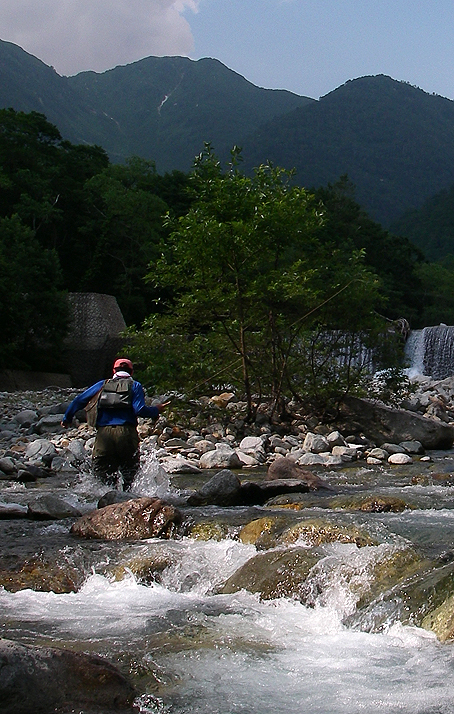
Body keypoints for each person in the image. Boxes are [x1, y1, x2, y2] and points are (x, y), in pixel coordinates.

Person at [61, 358, 166, 491]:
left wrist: (67, 418)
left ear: (114, 371)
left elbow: (78, 400)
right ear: (131, 372)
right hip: (126, 433)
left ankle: (103, 503)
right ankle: (128, 502)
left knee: (101, 475)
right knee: (130, 474)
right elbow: (139, 410)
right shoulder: (135, 386)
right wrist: (156, 410)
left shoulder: (102, 384)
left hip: (104, 434)